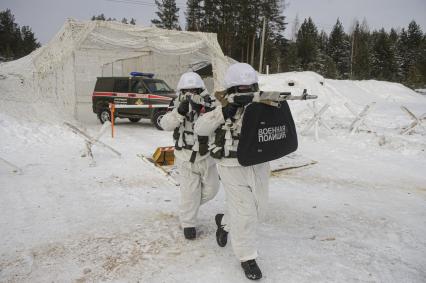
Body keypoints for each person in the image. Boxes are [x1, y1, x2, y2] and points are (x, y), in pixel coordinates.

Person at [194, 63, 269, 280]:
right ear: (231, 90)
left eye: (250, 87)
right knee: (245, 212)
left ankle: (224, 223)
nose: (247, 93)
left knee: (258, 208)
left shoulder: (264, 103)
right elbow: (200, 128)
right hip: (231, 164)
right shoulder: (222, 106)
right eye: (241, 89)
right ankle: (248, 257)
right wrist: (224, 112)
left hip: (258, 162)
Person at [160, 71, 220, 240]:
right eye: (187, 91)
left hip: (206, 156)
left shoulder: (210, 104)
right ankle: (188, 223)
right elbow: (165, 124)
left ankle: (187, 208)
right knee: (189, 192)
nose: (190, 94)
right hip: (185, 157)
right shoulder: (176, 104)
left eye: (194, 90)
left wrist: (207, 110)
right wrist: (179, 113)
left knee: (212, 189)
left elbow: (220, 120)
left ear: (200, 89)